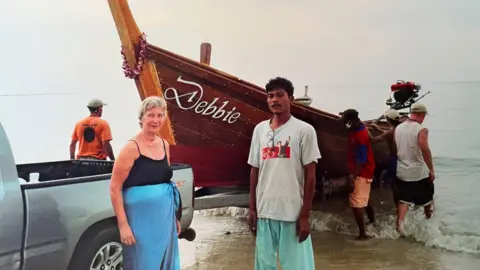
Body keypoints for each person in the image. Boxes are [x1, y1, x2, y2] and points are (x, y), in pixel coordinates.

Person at [248, 77, 321, 270]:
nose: (274, 100)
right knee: (264, 265)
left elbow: (311, 175)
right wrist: (252, 208)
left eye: (280, 95)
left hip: (292, 213)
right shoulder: (260, 130)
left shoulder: (304, 130)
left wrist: (305, 214)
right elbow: (255, 169)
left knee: (298, 266)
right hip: (265, 211)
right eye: (270, 96)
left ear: (291, 99)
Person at [109, 96, 181, 270]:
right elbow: (114, 188)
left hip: (164, 218)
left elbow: (165, 179)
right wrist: (123, 225)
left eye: (160, 115)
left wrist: (175, 218)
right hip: (139, 221)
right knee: (142, 263)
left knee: (165, 261)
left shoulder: (164, 145)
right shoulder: (131, 147)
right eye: (150, 115)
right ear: (141, 118)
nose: (155, 120)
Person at [393, 103, 435, 233]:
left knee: (404, 200)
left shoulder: (398, 128)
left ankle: (400, 225)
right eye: (423, 116)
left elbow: (395, 149)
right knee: (427, 199)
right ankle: (430, 223)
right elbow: (424, 149)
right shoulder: (422, 129)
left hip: (402, 170)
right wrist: (431, 169)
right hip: (418, 171)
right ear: (421, 115)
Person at [340, 109, 376, 240]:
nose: (344, 123)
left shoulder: (361, 136)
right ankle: (373, 223)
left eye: (345, 120)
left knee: (356, 205)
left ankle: (363, 234)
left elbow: (361, 159)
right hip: (362, 171)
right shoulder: (358, 128)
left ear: (351, 121)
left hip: (362, 172)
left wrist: (353, 176)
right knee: (364, 200)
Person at [369, 109, 402, 206]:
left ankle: (398, 206)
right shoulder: (400, 129)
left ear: (388, 120)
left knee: (394, 185)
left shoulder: (390, 133)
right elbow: (389, 132)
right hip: (404, 159)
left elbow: (374, 140)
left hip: (394, 160)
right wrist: (378, 129)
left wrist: (365, 130)